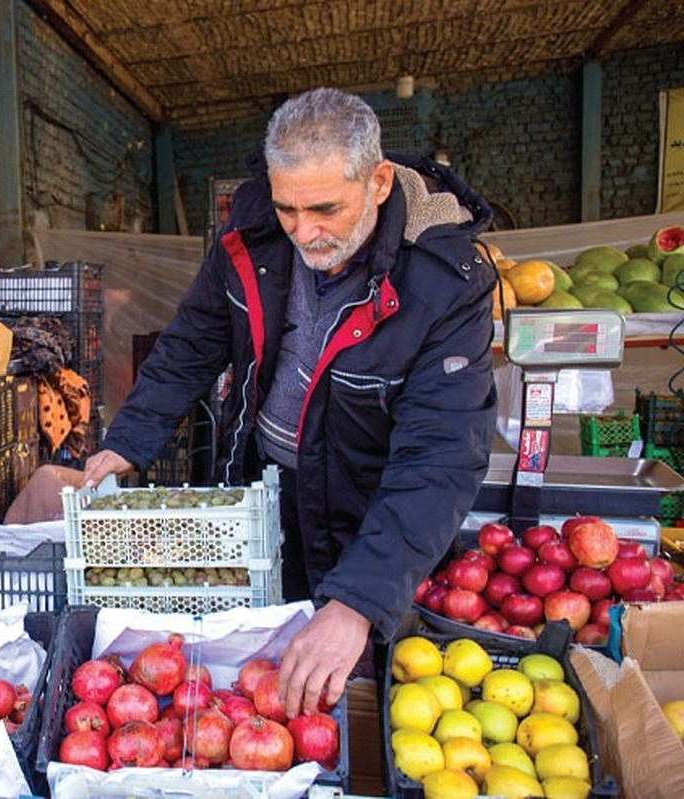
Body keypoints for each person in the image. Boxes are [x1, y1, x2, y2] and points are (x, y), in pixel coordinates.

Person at [81, 87, 497, 718]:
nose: (305, 231)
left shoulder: (442, 280)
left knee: (344, 682)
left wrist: (358, 601)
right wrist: (127, 440)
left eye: (325, 209)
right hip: (263, 486)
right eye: (289, 209)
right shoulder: (252, 232)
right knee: (251, 685)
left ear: (379, 182)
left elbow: (440, 457)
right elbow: (195, 339)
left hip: (366, 514)